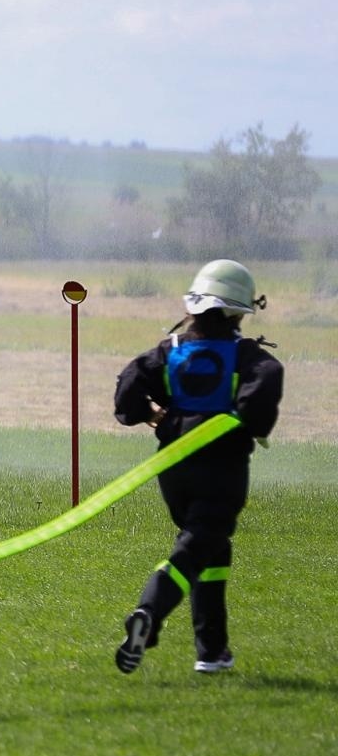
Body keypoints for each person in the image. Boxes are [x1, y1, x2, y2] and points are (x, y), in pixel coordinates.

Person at [112, 259, 283, 675]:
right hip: (221, 470)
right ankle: (148, 615)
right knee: (192, 550)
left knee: (210, 547)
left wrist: (153, 415)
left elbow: (129, 385)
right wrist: (246, 418)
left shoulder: (170, 351)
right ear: (234, 311)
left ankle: (212, 651)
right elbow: (266, 380)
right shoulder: (245, 354)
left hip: (173, 468)